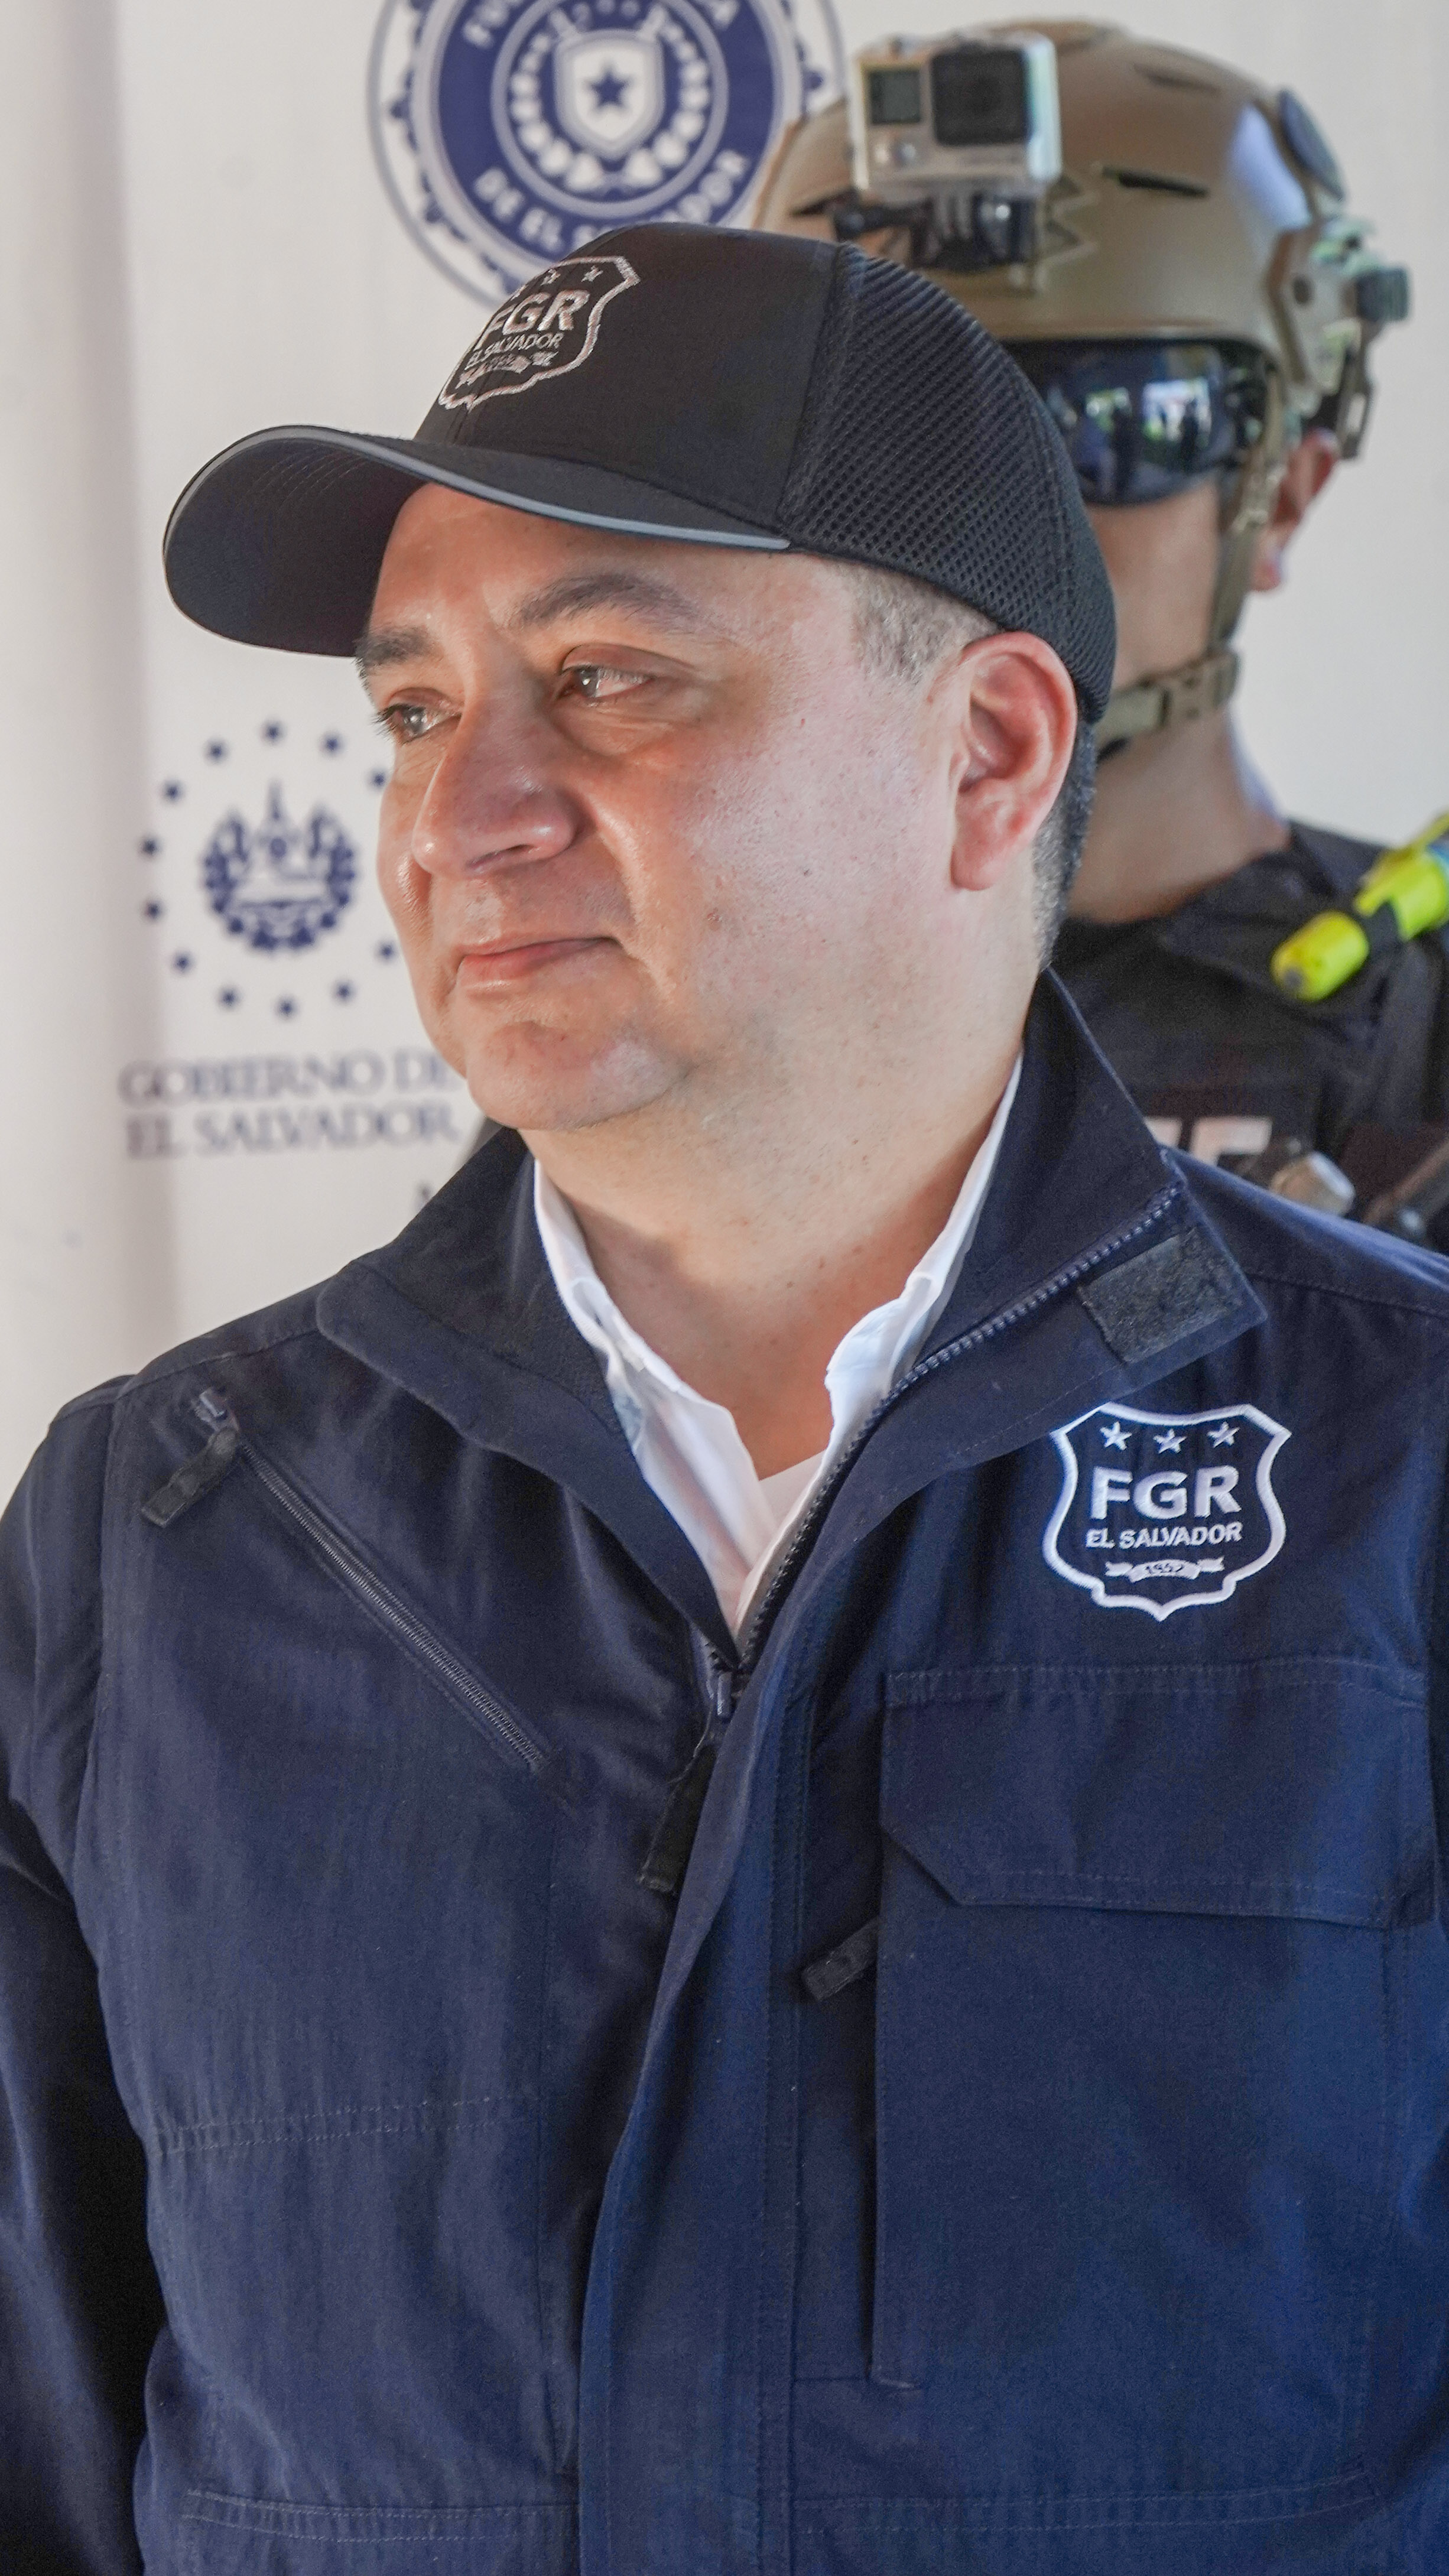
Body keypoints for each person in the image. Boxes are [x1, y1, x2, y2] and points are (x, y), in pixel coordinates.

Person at [6, 220, 1449, 2575]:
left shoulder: (1404, 1471)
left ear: (988, 755)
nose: (459, 816)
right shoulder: (146, 1541)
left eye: (604, 680)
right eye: (412, 711)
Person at [755, 21, 1438, 1213]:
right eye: (893, 435)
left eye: (1114, 419)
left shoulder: (1418, 1014)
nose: (993, 514)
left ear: (1280, 492)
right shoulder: (702, 991)